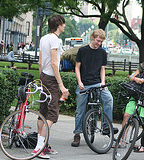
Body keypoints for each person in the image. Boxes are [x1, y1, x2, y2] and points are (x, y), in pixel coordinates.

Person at [33, 15, 70, 159]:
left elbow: (40, 61)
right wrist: (61, 85)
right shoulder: (55, 39)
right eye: (64, 24)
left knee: (43, 111)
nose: (65, 26)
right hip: (51, 79)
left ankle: (43, 145)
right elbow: (54, 64)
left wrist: (42, 75)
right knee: (52, 114)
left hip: (44, 77)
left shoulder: (44, 38)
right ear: (59, 24)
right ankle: (39, 148)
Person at [71, 29, 115, 147]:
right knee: (80, 110)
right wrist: (79, 82)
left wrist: (103, 82)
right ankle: (77, 134)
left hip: (97, 83)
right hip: (84, 83)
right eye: (97, 40)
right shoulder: (83, 50)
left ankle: (106, 126)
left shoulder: (102, 52)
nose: (99, 43)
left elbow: (102, 68)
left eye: (101, 42)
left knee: (109, 99)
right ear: (92, 37)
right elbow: (77, 67)